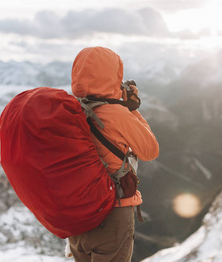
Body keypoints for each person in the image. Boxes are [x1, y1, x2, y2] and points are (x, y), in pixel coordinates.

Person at [68, 46, 159, 262]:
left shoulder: (71, 108)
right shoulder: (116, 112)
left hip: (79, 216)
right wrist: (131, 108)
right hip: (112, 212)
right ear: (114, 74)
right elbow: (150, 150)